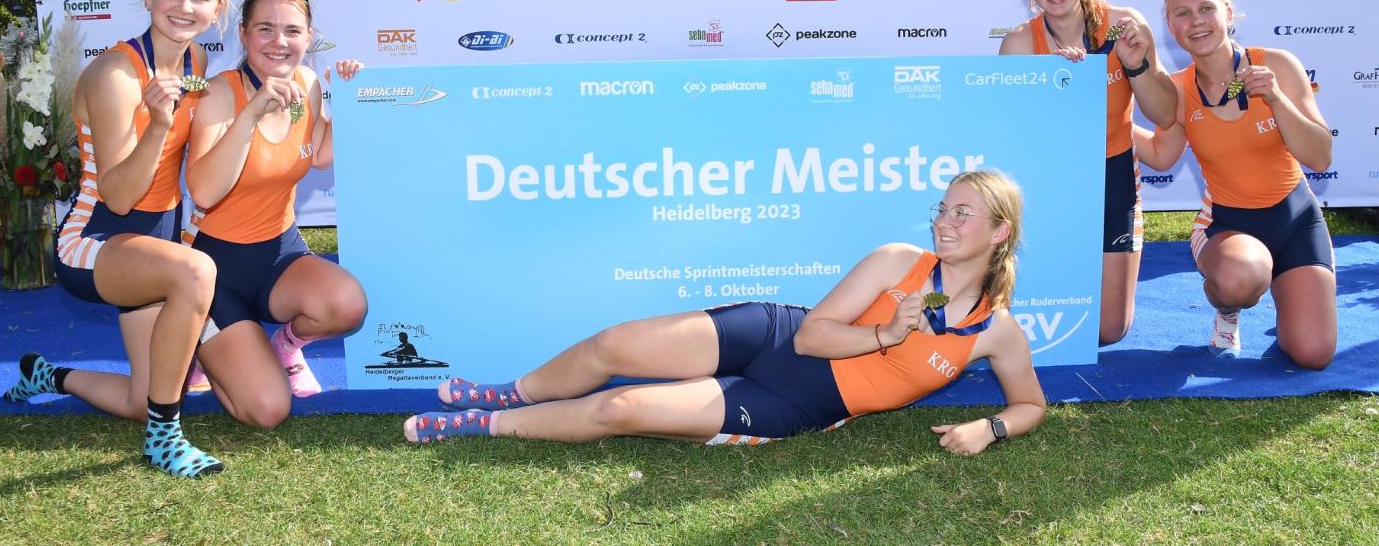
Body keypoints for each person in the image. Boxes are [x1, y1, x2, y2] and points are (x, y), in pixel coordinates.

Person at [405, 170, 1046, 454]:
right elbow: (812, 337)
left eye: (963, 213)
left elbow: (1031, 405)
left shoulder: (997, 331)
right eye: (942, 208)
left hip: (802, 403)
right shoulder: (897, 261)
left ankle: (484, 425)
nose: (944, 221)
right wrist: (886, 331)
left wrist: (989, 429)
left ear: (1000, 233)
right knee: (613, 345)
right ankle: (513, 392)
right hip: (777, 336)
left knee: (618, 409)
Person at [2, 0, 228, 478]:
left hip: (153, 244)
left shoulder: (195, 59)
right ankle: (164, 441)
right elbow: (120, 197)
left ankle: (47, 376)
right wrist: (159, 124)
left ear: (218, 9)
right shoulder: (115, 75)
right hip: (95, 240)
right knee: (196, 273)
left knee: (140, 398)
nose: (184, 7)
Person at [182, 0, 367, 428]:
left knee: (347, 304)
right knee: (267, 410)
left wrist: (350, 100)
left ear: (308, 38)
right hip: (214, 271)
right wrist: (250, 114)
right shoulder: (219, 94)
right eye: (265, 29)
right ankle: (201, 345)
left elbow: (319, 154)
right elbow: (204, 191)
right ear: (243, 35)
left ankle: (284, 347)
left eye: (292, 31)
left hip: (279, 256)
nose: (279, 41)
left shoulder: (306, 84)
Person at [1131, 0, 1334, 367]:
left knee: (1313, 354)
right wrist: (1104, 121)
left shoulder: (1276, 64)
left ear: (1227, 12)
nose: (1197, 21)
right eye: (1183, 13)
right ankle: (1228, 310)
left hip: (1296, 220)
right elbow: (1160, 155)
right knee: (1239, 280)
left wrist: (1276, 99)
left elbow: (1320, 157)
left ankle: (1291, 294)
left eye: (1206, 8)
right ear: (1171, 27)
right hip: (1227, 224)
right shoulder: (1178, 89)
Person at [998, 0, 1177, 345]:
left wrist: (1136, 66)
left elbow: (1166, 113)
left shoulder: (1124, 25)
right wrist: (1057, 91)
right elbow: (1013, 139)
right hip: (1051, 184)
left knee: (1107, 330)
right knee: (1040, 319)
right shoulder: (1019, 44)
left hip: (1115, 174)